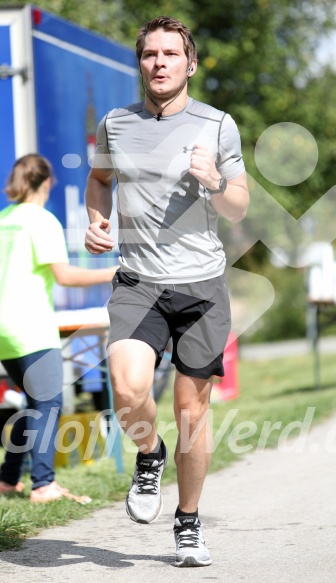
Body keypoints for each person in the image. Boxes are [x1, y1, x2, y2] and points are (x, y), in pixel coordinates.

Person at [84, 15, 249, 567]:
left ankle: (188, 521)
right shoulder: (116, 123)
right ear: (141, 64)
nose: (159, 63)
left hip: (201, 285)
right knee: (129, 390)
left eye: (170, 54)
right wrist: (96, 221)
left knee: (189, 411)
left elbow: (239, 204)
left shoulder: (218, 125)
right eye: (150, 54)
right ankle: (148, 457)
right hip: (138, 281)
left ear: (190, 64)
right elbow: (100, 180)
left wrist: (215, 182)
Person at [0, 154, 116, 503]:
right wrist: (114, 273)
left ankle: (7, 479)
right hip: (30, 326)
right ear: (47, 182)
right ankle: (43, 485)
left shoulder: (4, 219)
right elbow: (64, 276)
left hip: (4, 331)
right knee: (48, 404)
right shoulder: (42, 220)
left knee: (33, 402)